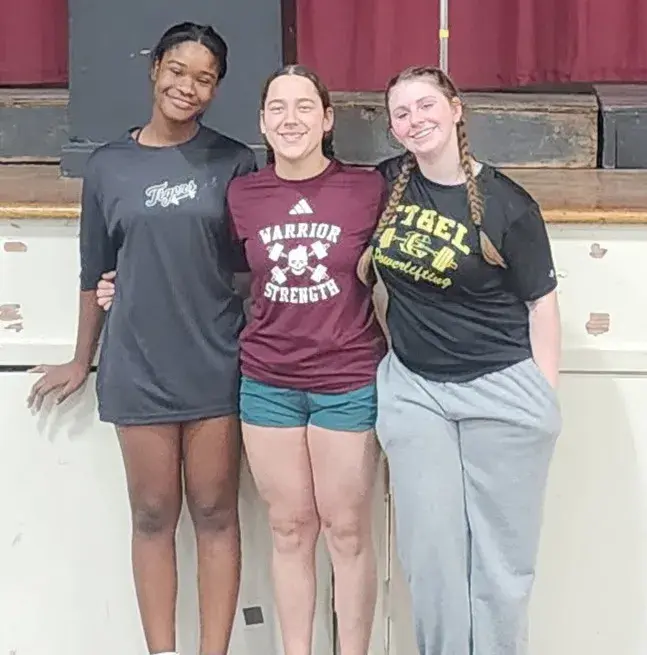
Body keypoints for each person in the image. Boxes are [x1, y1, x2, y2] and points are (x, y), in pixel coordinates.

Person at [97, 64, 387, 655]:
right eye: (277, 108)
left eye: (304, 107)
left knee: (347, 531)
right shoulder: (243, 194)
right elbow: (205, 264)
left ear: (327, 120)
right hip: (267, 381)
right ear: (261, 122)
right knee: (289, 528)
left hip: (347, 378)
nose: (290, 119)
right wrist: (127, 282)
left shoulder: (367, 190)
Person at [27, 22, 256, 655]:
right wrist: (82, 358)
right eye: (177, 71)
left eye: (204, 78)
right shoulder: (108, 165)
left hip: (215, 361)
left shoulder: (234, 161)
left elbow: (249, 269)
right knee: (153, 515)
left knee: (215, 512)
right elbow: (93, 269)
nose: (187, 87)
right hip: (138, 365)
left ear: (216, 90)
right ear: (155, 68)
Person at [357, 66, 562, 655]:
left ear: (455, 109)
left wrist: (544, 398)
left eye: (426, 105)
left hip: (501, 390)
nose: (415, 120)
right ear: (393, 128)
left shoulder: (508, 204)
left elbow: (542, 304)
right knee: (432, 557)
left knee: (500, 563)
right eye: (402, 113)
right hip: (416, 391)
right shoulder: (385, 185)